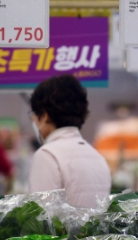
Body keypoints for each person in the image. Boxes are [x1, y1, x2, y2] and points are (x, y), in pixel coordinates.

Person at [29, 74, 111, 208]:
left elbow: (42, 219)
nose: (33, 120)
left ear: (44, 115)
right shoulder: (97, 156)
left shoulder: (48, 155)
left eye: (34, 114)